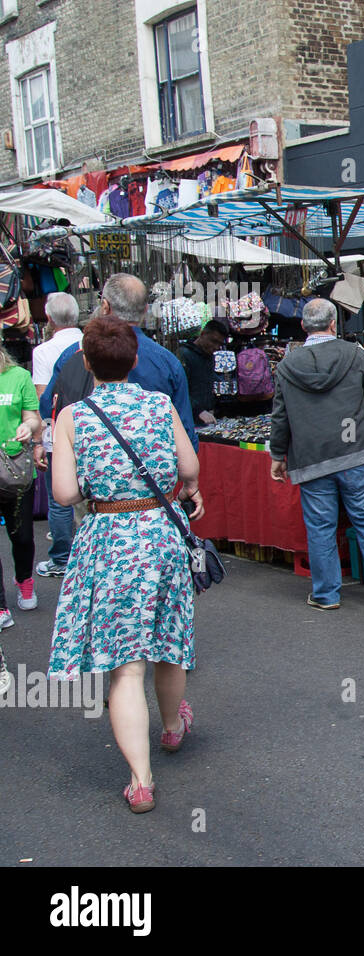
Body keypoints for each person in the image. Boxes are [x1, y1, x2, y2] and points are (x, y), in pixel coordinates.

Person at [47, 318, 204, 814]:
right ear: (135, 360)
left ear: (87, 363)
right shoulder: (158, 404)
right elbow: (190, 468)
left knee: (125, 668)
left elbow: (65, 493)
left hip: (108, 542)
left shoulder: (73, 417)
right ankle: (173, 728)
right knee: (169, 643)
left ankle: (140, 781)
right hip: (160, 532)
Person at [269, 298, 364, 611]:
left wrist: (278, 455)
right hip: (353, 453)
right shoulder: (356, 356)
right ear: (334, 323)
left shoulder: (288, 365)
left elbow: (280, 416)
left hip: (310, 456)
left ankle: (325, 594)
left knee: (320, 527)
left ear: (304, 326)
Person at [40, 273, 198, 449]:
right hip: (153, 470)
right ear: (146, 309)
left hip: (88, 467)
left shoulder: (75, 354)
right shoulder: (168, 363)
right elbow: (187, 439)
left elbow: (48, 408)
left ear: (105, 306)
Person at [33, 291, 83, 579]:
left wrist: (39, 441)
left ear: (49, 319)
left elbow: (43, 398)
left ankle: (62, 558)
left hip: (58, 432)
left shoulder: (43, 352)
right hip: (92, 429)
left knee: (59, 498)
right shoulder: (88, 342)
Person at [0, 343, 44, 623]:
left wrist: (28, 427)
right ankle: (1, 606)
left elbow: (33, 417)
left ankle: (24, 579)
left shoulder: (18, 376)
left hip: (15, 469)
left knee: (23, 537)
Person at [177, 319, 230, 426]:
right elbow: (179, 390)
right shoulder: (183, 354)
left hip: (206, 418)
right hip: (187, 419)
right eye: (213, 341)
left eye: (219, 344)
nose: (216, 347)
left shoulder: (210, 356)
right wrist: (199, 411)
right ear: (202, 334)